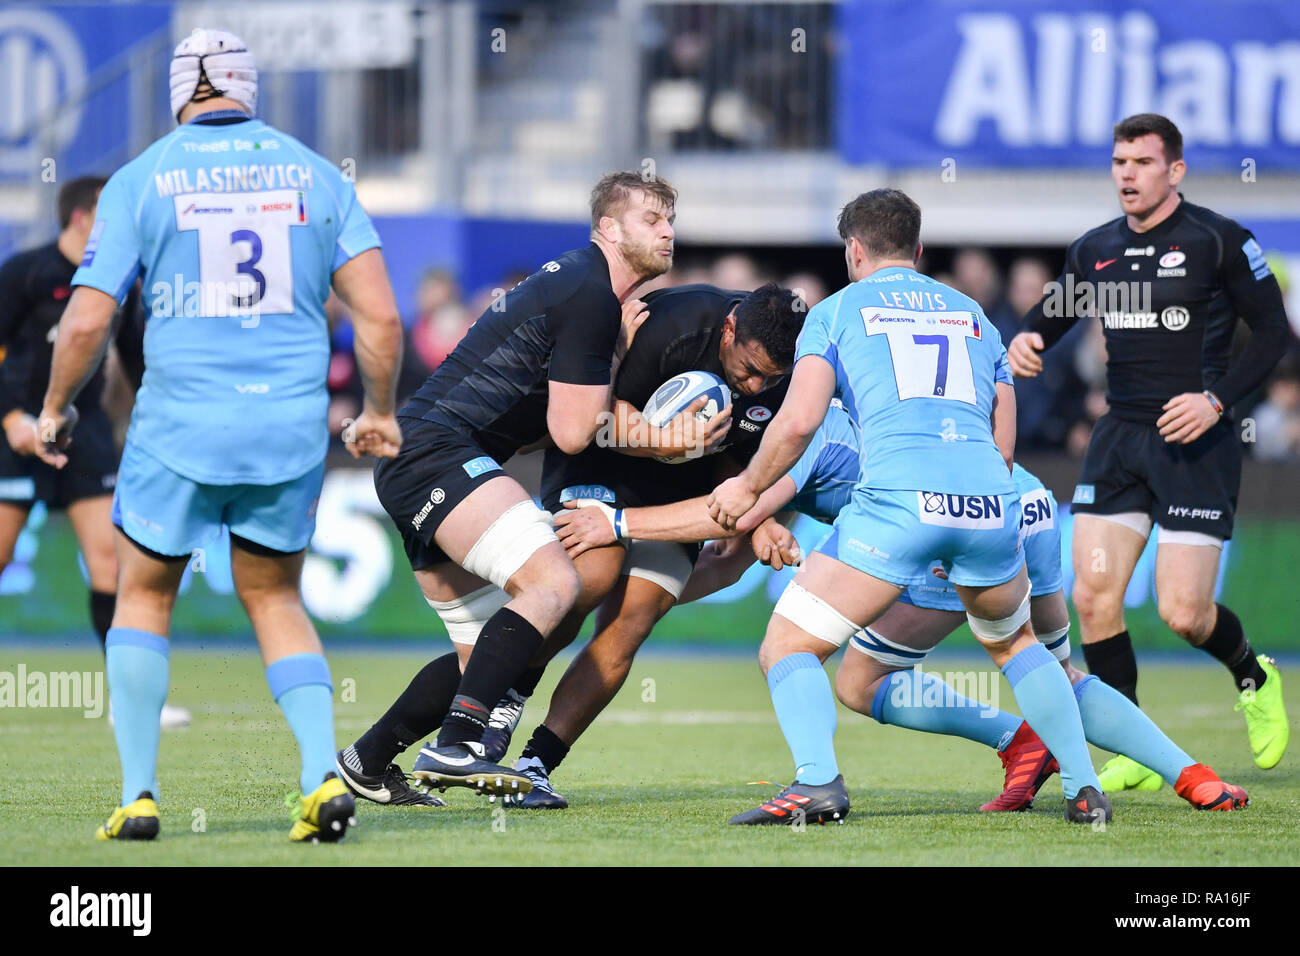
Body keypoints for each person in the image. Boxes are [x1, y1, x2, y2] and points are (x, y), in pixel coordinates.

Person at [36, 28, 405, 843]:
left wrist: (57, 405)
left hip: (179, 426)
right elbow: (379, 313)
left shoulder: (143, 178)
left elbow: (86, 319)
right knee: (274, 596)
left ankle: (138, 796)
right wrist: (379, 410)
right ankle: (317, 779)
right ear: (249, 88)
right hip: (287, 426)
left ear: (179, 92)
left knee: (142, 595)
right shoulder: (315, 174)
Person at [560, 414, 1248, 813]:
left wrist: (618, 527)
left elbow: (728, 517)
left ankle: (835, 781)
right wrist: (645, 605)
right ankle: (1191, 775)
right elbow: (734, 557)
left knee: (850, 677)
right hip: (1023, 501)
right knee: (1055, 667)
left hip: (937, 523)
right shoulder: (868, 404)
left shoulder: (805, 432)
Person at [708, 188, 1108, 825]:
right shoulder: (974, 313)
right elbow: (1005, 427)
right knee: (1017, 646)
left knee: (787, 646)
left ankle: (817, 786)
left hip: (896, 506)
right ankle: (1084, 789)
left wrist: (747, 488)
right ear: (918, 251)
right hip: (987, 502)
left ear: (854, 250)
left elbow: (799, 422)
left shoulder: (836, 312)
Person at [336, 171, 689, 804]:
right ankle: (459, 746)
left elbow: (543, 422)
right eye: (652, 218)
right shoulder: (591, 293)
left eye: (671, 218)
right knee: (555, 585)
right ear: (609, 228)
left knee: (488, 659)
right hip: (438, 453)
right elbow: (573, 432)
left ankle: (368, 760)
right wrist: (664, 438)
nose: (668, 230)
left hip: (421, 456)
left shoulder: (581, 285)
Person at [1008, 114, 1291, 788]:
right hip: (1119, 439)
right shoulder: (1094, 249)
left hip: (1195, 440)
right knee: (1095, 598)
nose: (1127, 174)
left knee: (1183, 613)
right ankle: (1132, 741)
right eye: (1118, 162)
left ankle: (1254, 675)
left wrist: (1217, 401)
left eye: (1141, 162)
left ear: (1176, 171)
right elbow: (1050, 317)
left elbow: (1275, 331)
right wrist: (1027, 340)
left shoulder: (1217, 240)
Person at [0, 178, 194, 728]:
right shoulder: (25, 273)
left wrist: (163, 416)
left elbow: (134, 359)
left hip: (80, 432)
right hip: (13, 434)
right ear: (84, 218)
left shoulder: (117, 281)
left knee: (111, 564)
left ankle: (129, 703)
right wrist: (13, 417)